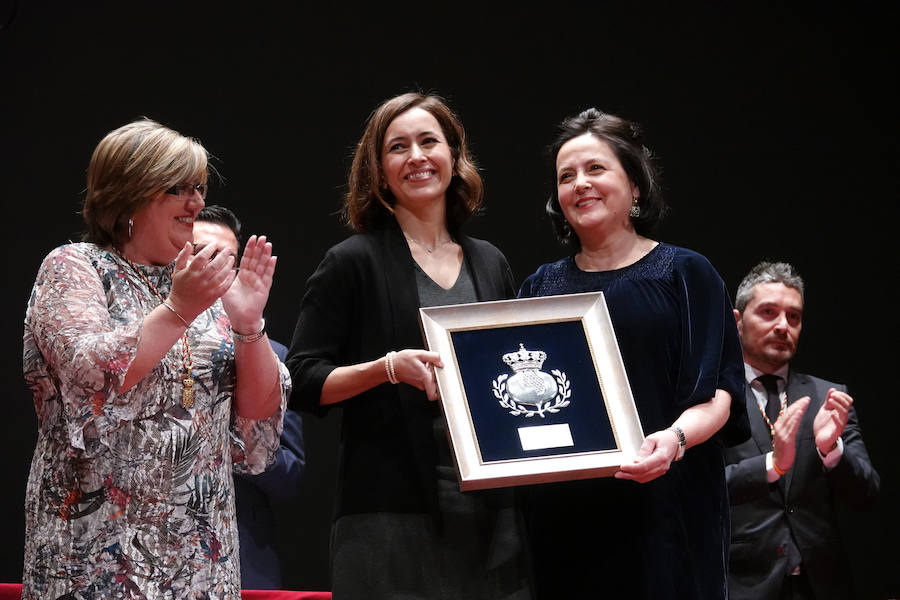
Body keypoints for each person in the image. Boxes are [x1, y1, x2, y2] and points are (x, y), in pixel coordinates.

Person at [21, 119, 290, 599]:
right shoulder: (75, 266)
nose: (197, 203)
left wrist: (250, 327)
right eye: (178, 188)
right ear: (129, 192)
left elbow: (258, 427)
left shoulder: (198, 282)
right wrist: (178, 311)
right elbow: (91, 374)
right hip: (94, 558)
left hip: (201, 563)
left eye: (199, 188)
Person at [286, 92, 532, 599]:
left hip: (494, 518)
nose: (416, 156)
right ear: (378, 172)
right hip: (388, 522)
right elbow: (304, 381)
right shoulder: (351, 261)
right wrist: (386, 368)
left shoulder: (491, 262)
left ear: (454, 156)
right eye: (398, 147)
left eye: (429, 141)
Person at [516, 108, 750, 599]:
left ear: (636, 184)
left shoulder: (687, 273)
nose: (580, 184)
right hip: (566, 519)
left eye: (596, 169)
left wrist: (673, 442)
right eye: (566, 176)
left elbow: (720, 395)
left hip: (668, 506)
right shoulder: (539, 287)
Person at [725, 261, 880, 600]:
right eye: (768, 312)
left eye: (793, 317)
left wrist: (831, 451)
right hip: (740, 583)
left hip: (822, 584)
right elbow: (700, 490)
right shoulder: (714, 400)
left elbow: (866, 494)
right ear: (737, 322)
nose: (783, 326)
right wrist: (771, 465)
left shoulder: (829, 397)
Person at [194, 204, 306, 590]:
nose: (213, 270)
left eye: (226, 261)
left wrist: (229, 434)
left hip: (241, 562)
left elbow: (289, 476)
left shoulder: (269, 355)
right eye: (199, 255)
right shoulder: (143, 340)